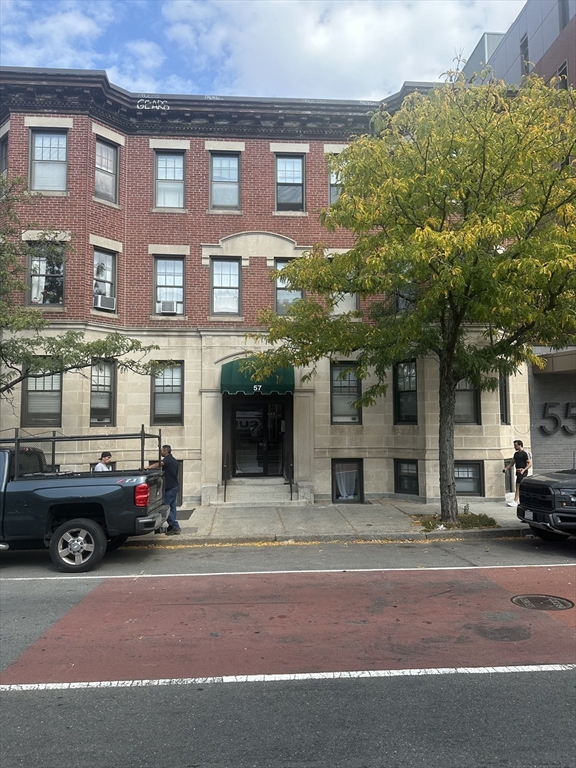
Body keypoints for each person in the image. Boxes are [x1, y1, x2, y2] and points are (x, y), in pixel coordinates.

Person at [148, 445, 181, 535]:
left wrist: (147, 467)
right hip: (174, 486)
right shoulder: (173, 460)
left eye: (162, 451)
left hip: (170, 488)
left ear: (166, 451)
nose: (161, 452)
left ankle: (175, 526)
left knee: (166, 507)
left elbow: (159, 464)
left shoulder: (168, 459)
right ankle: (172, 526)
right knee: (172, 507)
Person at [503, 440, 532, 506]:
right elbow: (512, 463)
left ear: (520, 445)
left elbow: (530, 463)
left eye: (515, 445)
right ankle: (519, 500)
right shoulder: (516, 454)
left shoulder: (525, 453)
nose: (514, 447)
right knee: (518, 486)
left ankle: (516, 501)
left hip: (522, 472)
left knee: (519, 486)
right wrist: (506, 468)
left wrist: (524, 470)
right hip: (518, 472)